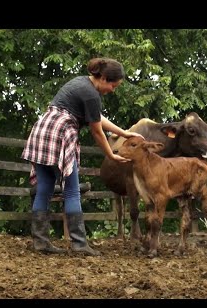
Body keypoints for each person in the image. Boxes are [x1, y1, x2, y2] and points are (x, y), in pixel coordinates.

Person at [22, 58, 144, 256]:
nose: (113, 89)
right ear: (103, 78)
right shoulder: (91, 95)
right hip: (60, 132)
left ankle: (41, 242)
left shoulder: (79, 82)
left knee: (44, 187)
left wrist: (124, 133)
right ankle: (79, 244)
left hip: (42, 130)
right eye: (113, 85)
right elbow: (97, 131)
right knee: (72, 191)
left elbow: (97, 117)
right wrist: (111, 155)